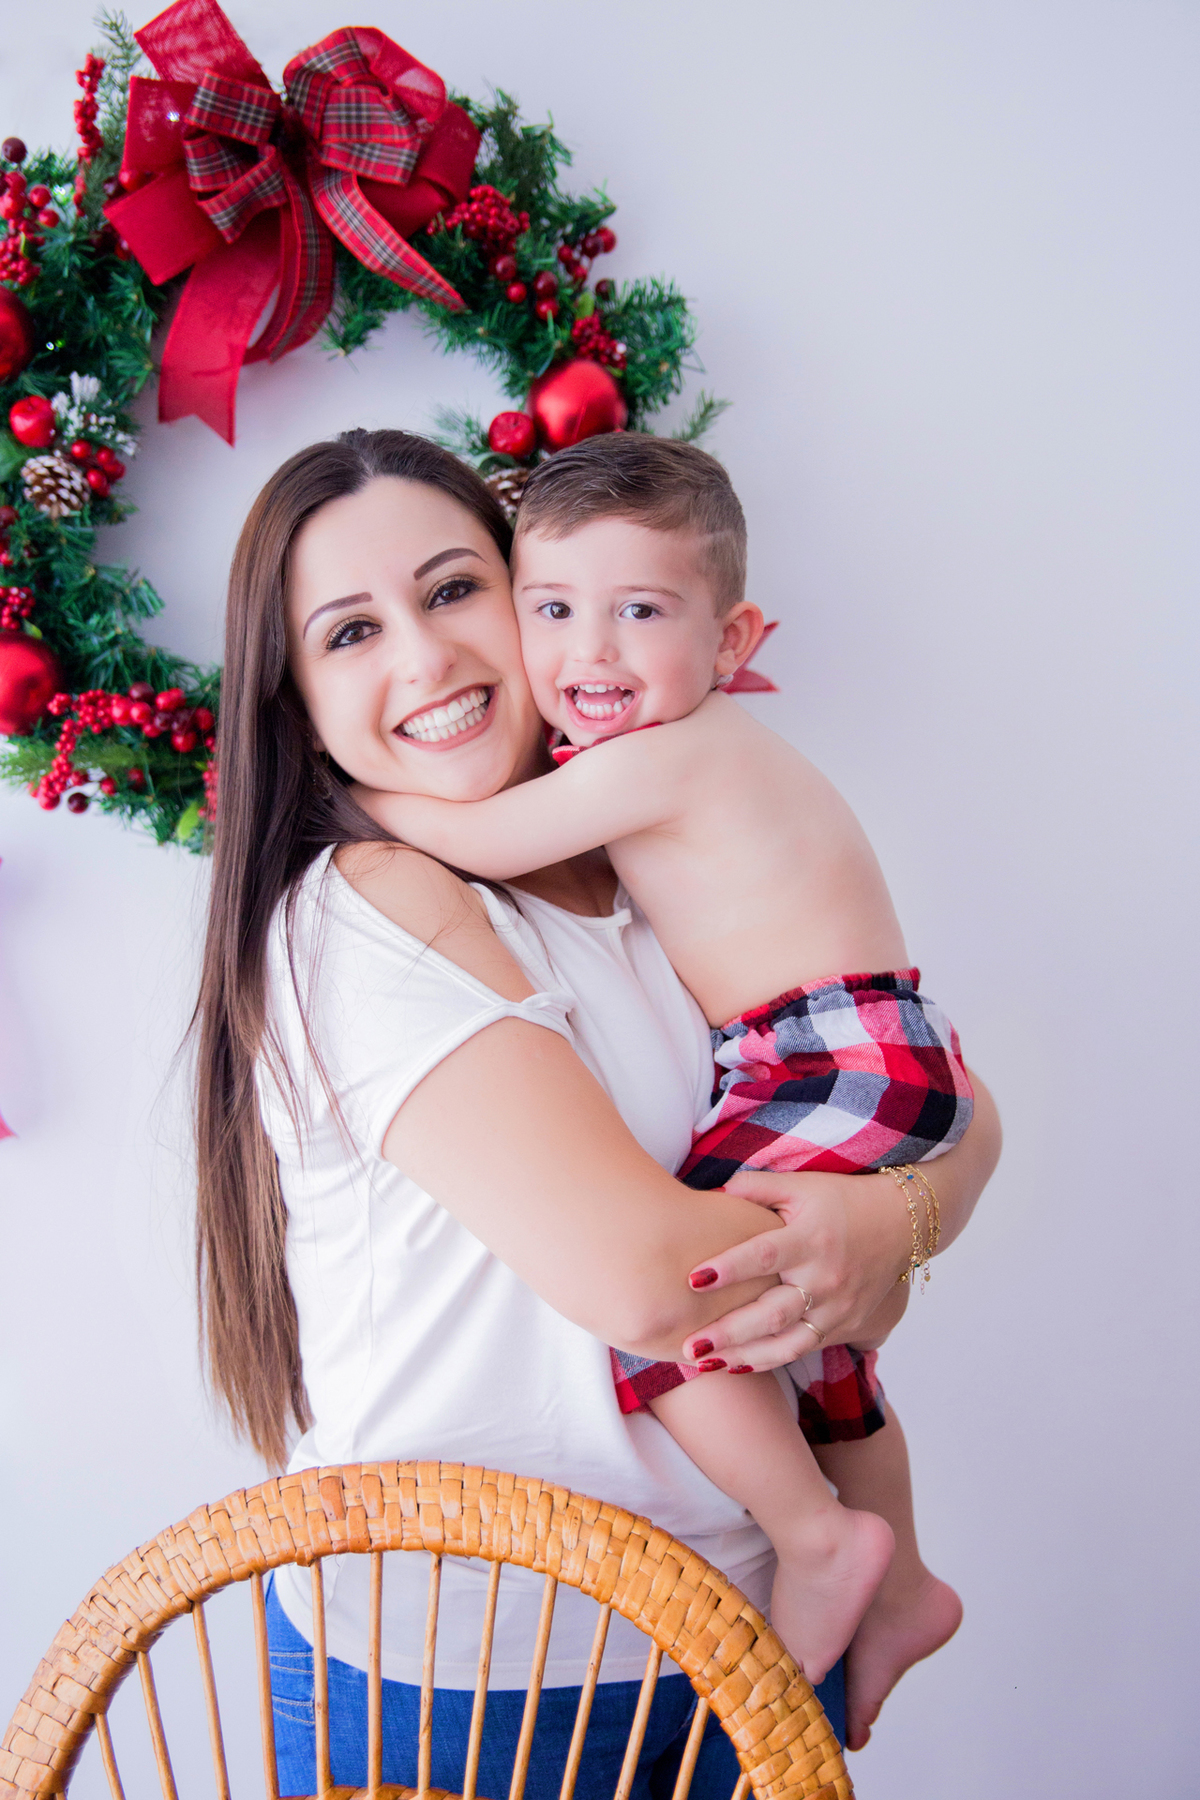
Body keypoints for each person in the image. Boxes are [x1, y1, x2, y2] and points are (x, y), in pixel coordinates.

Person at [193, 429, 1000, 1794]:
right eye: (349, 633)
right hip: (493, 1660)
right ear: (296, 705)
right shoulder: (371, 907)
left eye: (456, 592)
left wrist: (899, 1216)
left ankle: (866, 1560)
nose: (428, 659)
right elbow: (653, 1285)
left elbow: (943, 1106)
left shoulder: (633, 881)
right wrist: (876, 1233)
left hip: (721, 1618)